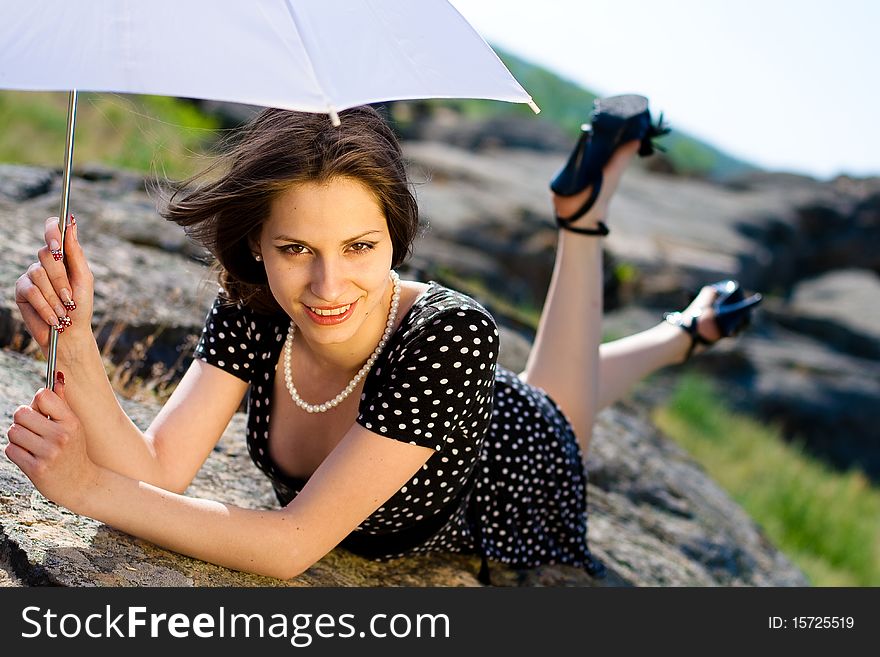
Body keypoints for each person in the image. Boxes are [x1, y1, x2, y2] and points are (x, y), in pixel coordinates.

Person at [5, 98, 760, 583]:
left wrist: (86, 487)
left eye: (361, 247)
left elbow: (290, 543)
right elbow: (161, 471)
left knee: (560, 407)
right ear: (257, 248)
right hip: (440, 415)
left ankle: (585, 224)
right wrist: (75, 346)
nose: (329, 287)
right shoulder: (257, 302)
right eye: (297, 248)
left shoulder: (451, 336)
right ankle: (689, 330)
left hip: (511, 462)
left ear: (395, 238)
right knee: (569, 381)